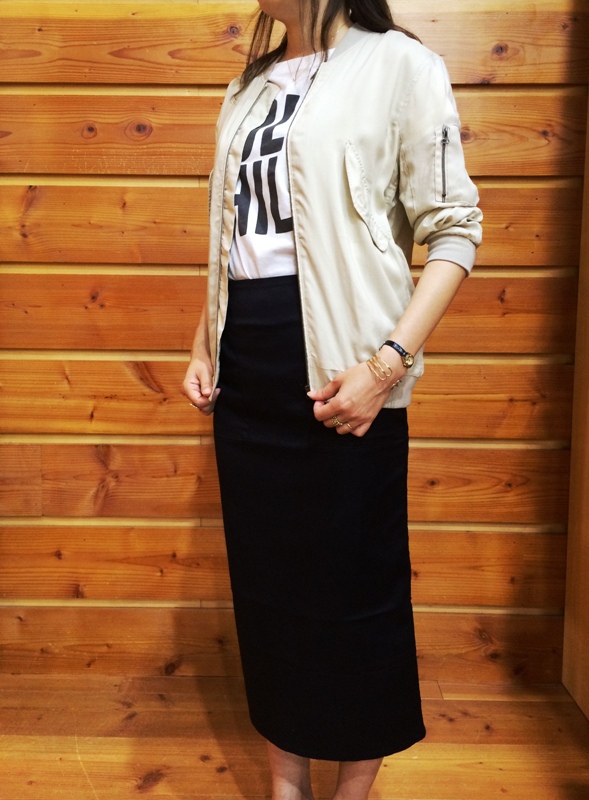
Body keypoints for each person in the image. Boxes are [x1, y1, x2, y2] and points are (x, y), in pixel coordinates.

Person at [183, 1, 483, 797]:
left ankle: (354, 786)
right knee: (269, 585)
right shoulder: (248, 86)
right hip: (248, 361)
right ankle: (288, 782)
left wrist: (386, 366)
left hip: (345, 365)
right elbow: (234, 235)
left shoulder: (400, 66)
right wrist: (204, 339)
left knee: (355, 584)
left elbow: (454, 230)